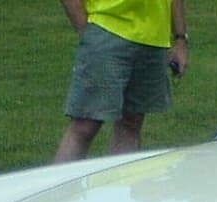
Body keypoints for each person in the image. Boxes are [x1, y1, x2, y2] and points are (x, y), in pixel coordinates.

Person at [53, 0, 189, 163]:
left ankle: (120, 186)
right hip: (107, 28)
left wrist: (180, 39)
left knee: (131, 124)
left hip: (153, 39)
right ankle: (61, 186)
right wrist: (86, 30)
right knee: (85, 125)